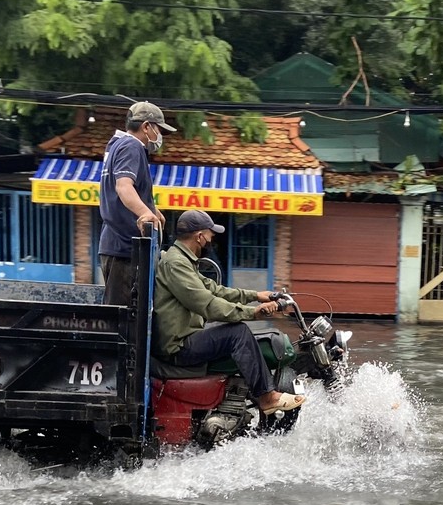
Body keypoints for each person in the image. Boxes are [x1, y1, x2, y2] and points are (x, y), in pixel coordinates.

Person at [153, 209, 306, 416]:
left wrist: (256, 295)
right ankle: (266, 397)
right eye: (210, 234)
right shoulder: (176, 264)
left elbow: (215, 289)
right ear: (199, 236)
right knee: (237, 333)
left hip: (185, 337)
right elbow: (207, 304)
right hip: (179, 346)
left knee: (233, 331)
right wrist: (253, 313)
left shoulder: (182, 260)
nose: (211, 239)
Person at [98, 101, 174, 305]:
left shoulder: (116, 144)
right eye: (158, 129)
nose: (160, 136)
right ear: (146, 126)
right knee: (124, 321)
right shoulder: (132, 146)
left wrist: (152, 209)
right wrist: (145, 213)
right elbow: (123, 186)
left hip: (115, 244)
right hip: (123, 247)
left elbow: (127, 189)